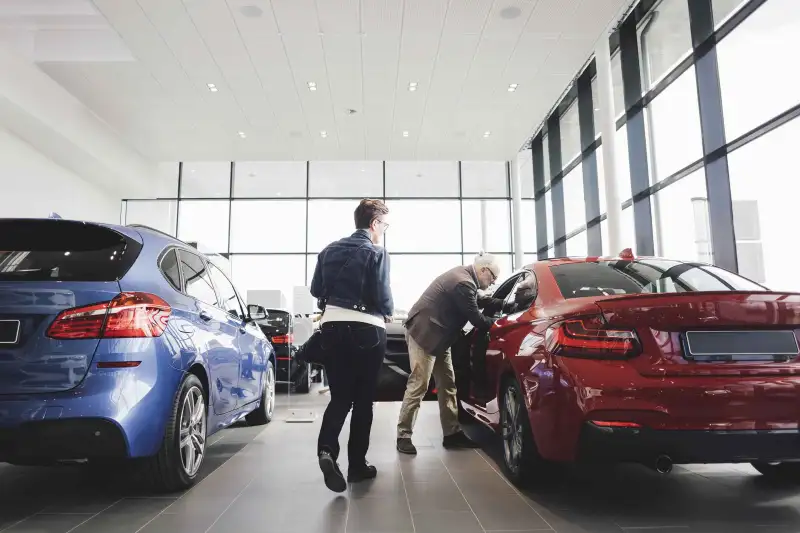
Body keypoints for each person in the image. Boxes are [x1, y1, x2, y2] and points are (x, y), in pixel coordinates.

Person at [310, 198, 393, 493]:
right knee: (363, 401)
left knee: (340, 398)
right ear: (374, 224)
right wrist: (388, 310)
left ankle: (327, 451)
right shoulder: (377, 252)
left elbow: (316, 290)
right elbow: (382, 296)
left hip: (331, 328)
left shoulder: (328, 250)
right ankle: (357, 466)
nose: (383, 231)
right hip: (367, 330)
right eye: (384, 225)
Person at [396, 252, 503, 455]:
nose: (493, 282)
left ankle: (452, 434)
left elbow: (477, 300)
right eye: (493, 277)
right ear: (482, 270)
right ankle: (403, 435)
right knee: (419, 384)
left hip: (440, 337)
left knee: (448, 384)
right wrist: (501, 323)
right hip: (424, 334)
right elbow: (477, 319)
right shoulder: (463, 282)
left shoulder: (465, 277)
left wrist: (500, 303)